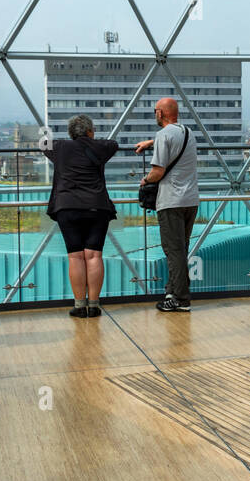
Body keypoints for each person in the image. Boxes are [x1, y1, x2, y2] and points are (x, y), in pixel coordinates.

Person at [43, 114, 118, 318]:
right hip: (97, 207)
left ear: (70, 133)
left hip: (67, 207)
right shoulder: (100, 147)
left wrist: (48, 132)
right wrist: (93, 140)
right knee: (94, 255)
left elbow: (42, 143)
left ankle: (79, 305)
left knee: (75, 256)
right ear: (90, 131)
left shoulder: (59, 147)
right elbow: (113, 144)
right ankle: (94, 305)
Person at [135, 97, 198, 313]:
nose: (155, 114)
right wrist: (151, 142)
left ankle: (180, 299)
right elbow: (173, 142)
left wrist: (144, 180)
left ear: (161, 113)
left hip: (171, 201)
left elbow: (158, 172)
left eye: (155, 111)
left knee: (173, 250)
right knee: (181, 249)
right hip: (191, 200)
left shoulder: (163, 135)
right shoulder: (188, 132)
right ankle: (173, 291)